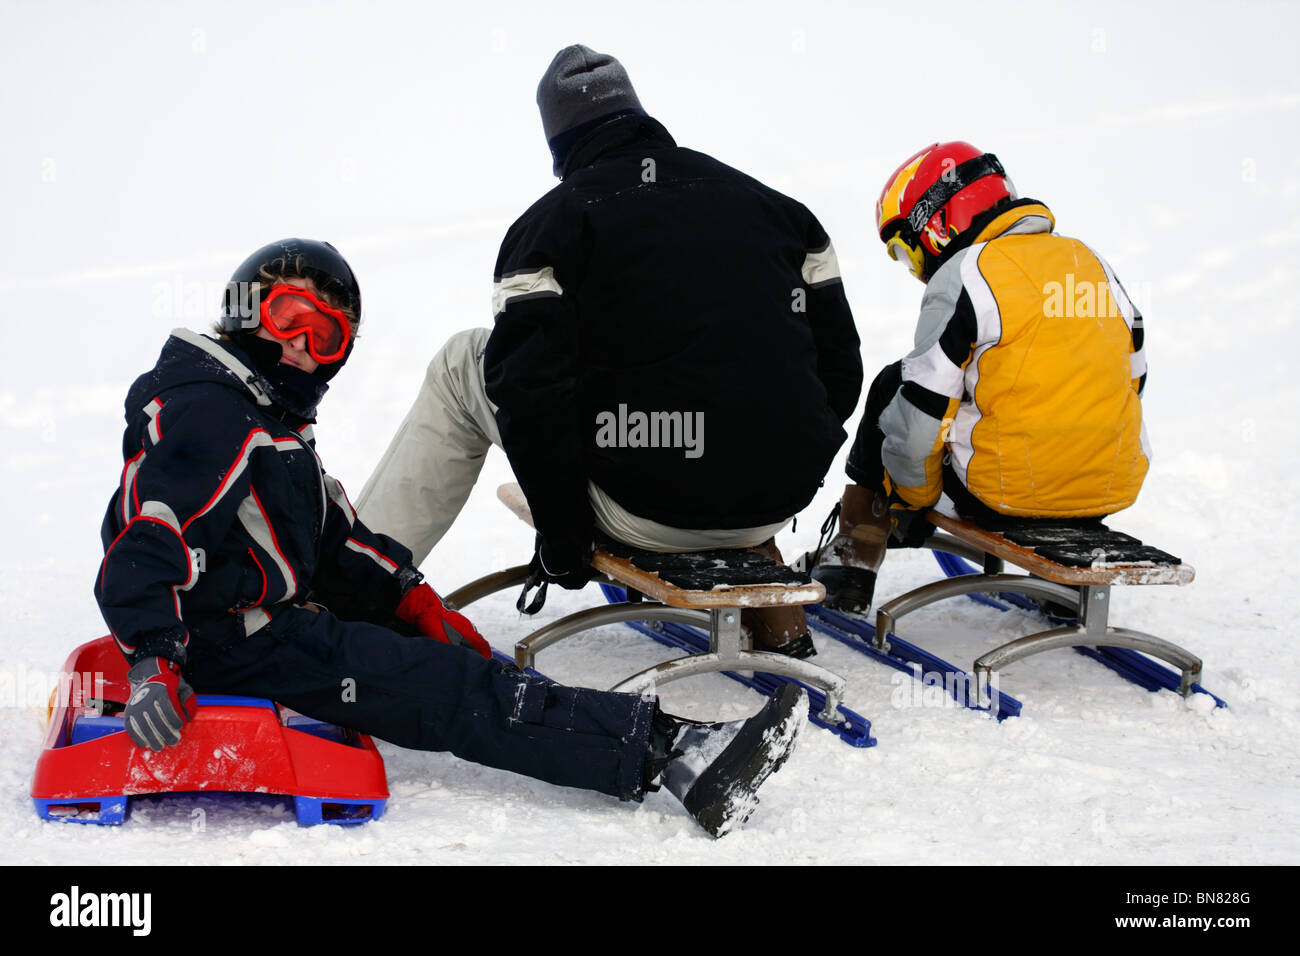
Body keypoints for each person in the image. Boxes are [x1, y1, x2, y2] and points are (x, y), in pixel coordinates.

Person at [93, 238, 808, 838]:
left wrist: (413, 604)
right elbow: (145, 538)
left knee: (460, 661)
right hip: (231, 644)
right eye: (288, 317)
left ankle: (643, 736)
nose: (305, 350)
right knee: (452, 690)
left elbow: (335, 539)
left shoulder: (267, 422)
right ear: (244, 310)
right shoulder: (212, 414)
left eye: (327, 335)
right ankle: (672, 755)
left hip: (263, 623)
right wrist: (155, 658)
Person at [357, 45, 862, 657]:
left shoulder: (554, 224)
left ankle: (353, 584)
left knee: (465, 359)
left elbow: (528, 393)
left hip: (648, 510)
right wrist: (776, 462)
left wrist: (563, 536)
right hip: (776, 501)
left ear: (560, 148)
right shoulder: (780, 211)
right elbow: (841, 368)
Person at [809, 142, 1150, 612]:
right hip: (1108, 488)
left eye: (905, 252)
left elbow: (921, 416)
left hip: (998, 494)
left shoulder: (967, 273)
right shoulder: (1093, 263)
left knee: (895, 385)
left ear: (937, 224)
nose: (916, 270)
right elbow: (1133, 378)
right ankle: (1066, 578)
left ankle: (854, 556)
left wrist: (914, 501)